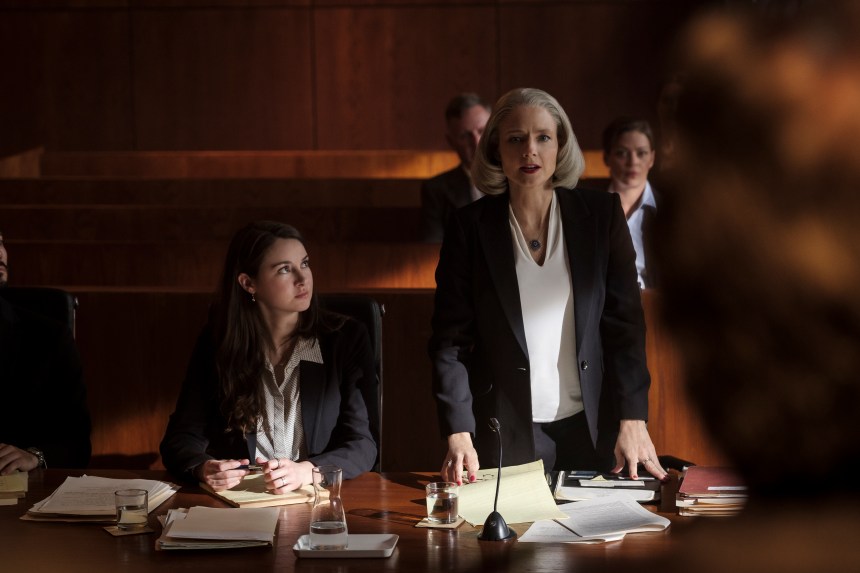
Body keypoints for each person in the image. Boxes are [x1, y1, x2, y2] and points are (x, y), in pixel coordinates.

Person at [430, 88, 667, 485]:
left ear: (561, 146)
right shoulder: (469, 227)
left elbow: (625, 326)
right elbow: (449, 342)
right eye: (516, 139)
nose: (529, 151)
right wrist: (458, 430)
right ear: (495, 151)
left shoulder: (601, 216)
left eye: (543, 137)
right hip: (503, 430)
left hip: (593, 426)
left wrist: (633, 417)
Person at [160, 221, 377, 492]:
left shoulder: (345, 339)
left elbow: (362, 444)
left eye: (305, 264)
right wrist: (203, 467)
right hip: (242, 503)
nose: (303, 278)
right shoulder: (218, 341)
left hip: (316, 498)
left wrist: (307, 471)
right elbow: (181, 437)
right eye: (285, 269)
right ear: (249, 283)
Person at [0, 228, 92, 474]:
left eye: (0, 241)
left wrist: (34, 456)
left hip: (17, 488)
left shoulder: (49, 337)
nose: (0, 253)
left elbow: (77, 443)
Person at [421, 93, 492, 242]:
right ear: (451, 141)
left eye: (482, 131)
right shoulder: (435, 190)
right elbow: (432, 250)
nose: (477, 142)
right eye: (465, 136)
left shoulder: (517, 180)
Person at [602, 117, 658, 288]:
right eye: (622, 153)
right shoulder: (589, 209)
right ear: (607, 158)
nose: (633, 162)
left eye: (641, 153)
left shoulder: (670, 210)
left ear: (652, 158)